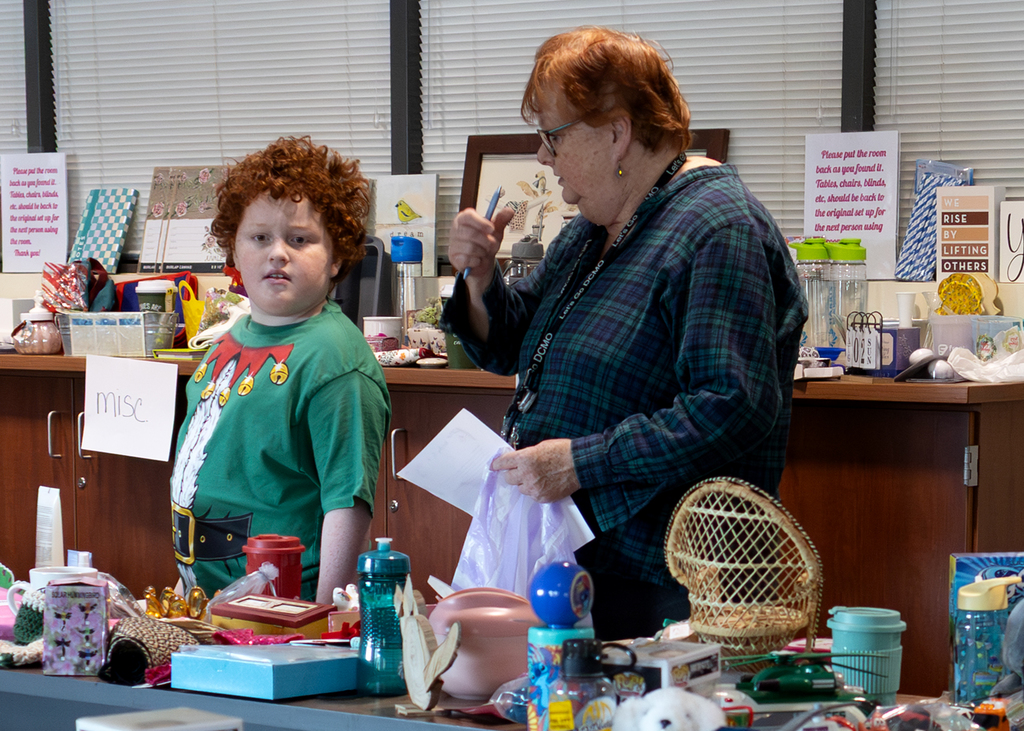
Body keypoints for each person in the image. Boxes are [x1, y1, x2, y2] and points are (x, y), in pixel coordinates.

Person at [442, 27, 807, 640]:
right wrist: (479, 278)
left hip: (666, 577)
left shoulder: (717, 228)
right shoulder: (596, 227)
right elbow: (509, 343)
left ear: (616, 132)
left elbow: (731, 405)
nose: (542, 157)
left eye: (553, 136)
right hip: (581, 560)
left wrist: (579, 463)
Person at [170, 136, 390, 604]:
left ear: (337, 257)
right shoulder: (227, 341)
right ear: (234, 251)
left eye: (300, 239)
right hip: (210, 603)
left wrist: (325, 619)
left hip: (287, 609)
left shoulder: (335, 361)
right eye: (260, 238)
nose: (278, 253)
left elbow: (347, 503)